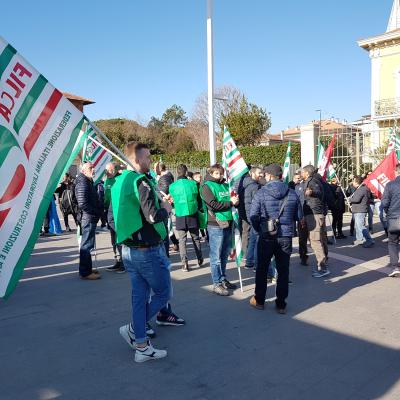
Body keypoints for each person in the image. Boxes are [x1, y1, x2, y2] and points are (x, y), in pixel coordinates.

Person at [112, 142, 174, 362]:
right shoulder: (140, 181)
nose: (151, 160)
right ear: (136, 160)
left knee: (139, 298)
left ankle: (140, 343)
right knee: (164, 293)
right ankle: (135, 331)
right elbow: (152, 217)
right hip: (146, 250)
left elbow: (114, 215)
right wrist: (165, 209)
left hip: (129, 248)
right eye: (147, 157)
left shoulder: (120, 181)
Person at [249, 164, 303, 313]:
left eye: (265, 175)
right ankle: (281, 304)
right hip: (285, 235)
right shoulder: (292, 193)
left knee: (262, 268)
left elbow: (253, 216)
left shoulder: (261, 193)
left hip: (266, 235)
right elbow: (298, 216)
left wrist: (259, 229)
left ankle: (259, 300)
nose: (264, 177)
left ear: (270, 176)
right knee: (283, 270)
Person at [201, 163, 239, 296]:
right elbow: (214, 205)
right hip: (215, 224)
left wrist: (236, 200)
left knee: (224, 254)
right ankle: (216, 283)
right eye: (216, 173)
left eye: (221, 173)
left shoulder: (225, 184)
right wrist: (230, 203)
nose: (219, 176)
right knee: (215, 256)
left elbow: (232, 200)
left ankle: (223, 279)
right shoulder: (206, 186)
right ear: (211, 173)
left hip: (228, 222)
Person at [169, 164, 203, 271]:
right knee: (195, 238)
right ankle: (199, 258)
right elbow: (199, 199)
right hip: (192, 213)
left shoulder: (172, 186)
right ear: (186, 171)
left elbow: (172, 202)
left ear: (177, 172)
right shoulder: (193, 183)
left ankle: (184, 263)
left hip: (180, 213)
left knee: (182, 240)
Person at [300, 165, 330, 278]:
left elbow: (317, 191)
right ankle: (324, 263)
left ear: (307, 173)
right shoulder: (310, 181)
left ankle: (323, 268)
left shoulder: (313, 181)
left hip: (314, 215)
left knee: (315, 241)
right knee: (319, 240)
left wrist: (311, 192)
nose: (300, 173)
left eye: (302, 172)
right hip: (312, 214)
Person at [75, 162, 102, 280]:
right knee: (86, 245)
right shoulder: (83, 182)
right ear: (83, 171)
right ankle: (85, 272)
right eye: (91, 168)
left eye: (93, 167)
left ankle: (87, 269)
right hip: (88, 217)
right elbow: (82, 203)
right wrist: (95, 212)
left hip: (89, 217)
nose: (93, 169)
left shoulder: (87, 181)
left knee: (88, 244)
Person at [104, 162, 125, 273]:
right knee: (113, 239)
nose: (107, 172)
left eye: (109, 170)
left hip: (117, 213)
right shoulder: (107, 181)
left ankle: (123, 263)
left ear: (114, 170)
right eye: (106, 170)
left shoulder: (119, 180)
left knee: (119, 238)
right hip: (108, 212)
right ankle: (117, 260)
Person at [242, 167, 264, 270]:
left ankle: (249, 262)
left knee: (253, 240)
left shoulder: (248, 185)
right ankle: (256, 264)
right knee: (257, 242)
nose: (261, 175)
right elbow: (257, 204)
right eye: (259, 173)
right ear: (252, 173)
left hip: (251, 216)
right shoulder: (255, 187)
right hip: (255, 217)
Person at [381, 163, 400, 277]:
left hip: (394, 218)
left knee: (392, 242)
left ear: (396, 172)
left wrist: (389, 213)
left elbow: (384, 203)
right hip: (394, 216)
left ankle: (395, 267)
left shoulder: (390, 185)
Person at [157, 162, 179, 253]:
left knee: (167, 227)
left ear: (159, 169)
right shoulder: (166, 176)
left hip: (165, 204)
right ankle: (175, 243)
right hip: (167, 204)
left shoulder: (165, 177)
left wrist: (161, 195)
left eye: (155, 167)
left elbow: (164, 191)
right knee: (168, 227)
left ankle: (174, 244)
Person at [349, 176, 374, 248]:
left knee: (361, 226)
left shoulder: (362, 189)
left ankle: (369, 240)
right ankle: (359, 239)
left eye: (353, 181)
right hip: (358, 209)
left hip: (360, 210)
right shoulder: (361, 188)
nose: (352, 182)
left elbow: (356, 199)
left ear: (356, 182)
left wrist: (350, 199)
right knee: (358, 226)